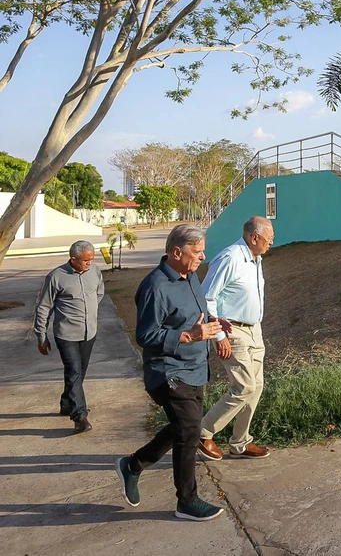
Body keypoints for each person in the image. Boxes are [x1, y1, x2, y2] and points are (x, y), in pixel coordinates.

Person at [114, 224, 229, 522]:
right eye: (198, 251)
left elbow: (196, 317)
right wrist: (189, 336)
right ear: (177, 252)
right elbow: (146, 335)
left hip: (194, 367)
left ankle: (133, 465)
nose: (203, 256)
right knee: (190, 431)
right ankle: (186, 501)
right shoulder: (154, 286)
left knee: (185, 427)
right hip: (168, 371)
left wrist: (216, 325)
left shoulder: (190, 276)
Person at [197, 216, 274, 461]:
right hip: (232, 331)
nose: (271, 243)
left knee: (256, 387)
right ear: (254, 237)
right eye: (268, 239)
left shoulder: (256, 259)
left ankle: (240, 442)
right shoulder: (230, 258)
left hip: (254, 330)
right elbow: (206, 297)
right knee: (243, 387)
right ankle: (202, 432)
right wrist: (218, 335)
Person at [33, 240, 104, 433]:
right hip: (66, 334)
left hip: (89, 332)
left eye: (91, 259)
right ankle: (79, 416)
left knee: (80, 371)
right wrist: (41, 335)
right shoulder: (56, 277)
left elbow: (99, 293)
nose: (89, 263)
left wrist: (90, 312)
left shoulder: (95, 271)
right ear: (73, 259)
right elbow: (44, 307)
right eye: (85, 260)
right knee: (73, 370)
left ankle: (67, 403)